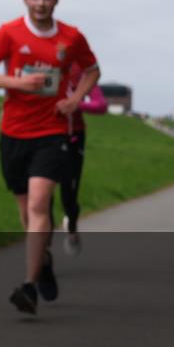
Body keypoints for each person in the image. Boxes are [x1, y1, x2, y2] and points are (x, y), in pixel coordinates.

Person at [0, 0, 100, 315]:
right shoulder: (9, 33)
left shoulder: (71, 37)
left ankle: (28, 286)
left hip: (52, 132)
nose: (41, 3)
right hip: (13, 133)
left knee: (40, 205)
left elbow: (92, 70)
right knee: (26, 215)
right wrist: (16, 82)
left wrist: (75, 101)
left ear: (57, 0)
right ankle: (42, 260)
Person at [56, 63, 106, 255]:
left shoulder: (82, 70)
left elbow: (100, 105)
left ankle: (72, 226)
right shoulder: (41, 62)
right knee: (40, 193)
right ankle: (42, 246)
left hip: (74, 136)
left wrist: (75, 103)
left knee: (68, 191)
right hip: (44, 134)